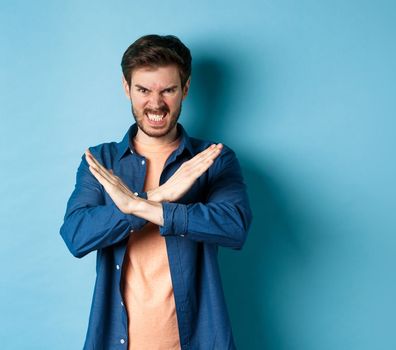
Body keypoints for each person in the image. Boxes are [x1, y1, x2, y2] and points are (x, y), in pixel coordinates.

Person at [59, 34, 253, 349]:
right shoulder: (101, 161)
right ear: (126, 88)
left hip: (197, 340)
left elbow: (235, 227)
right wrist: (157, 196)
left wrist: (142, 206)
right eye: (144, 90)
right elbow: (76, 236)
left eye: (168, 90)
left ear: (185, 89)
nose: (156, 103)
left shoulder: (213, 160)